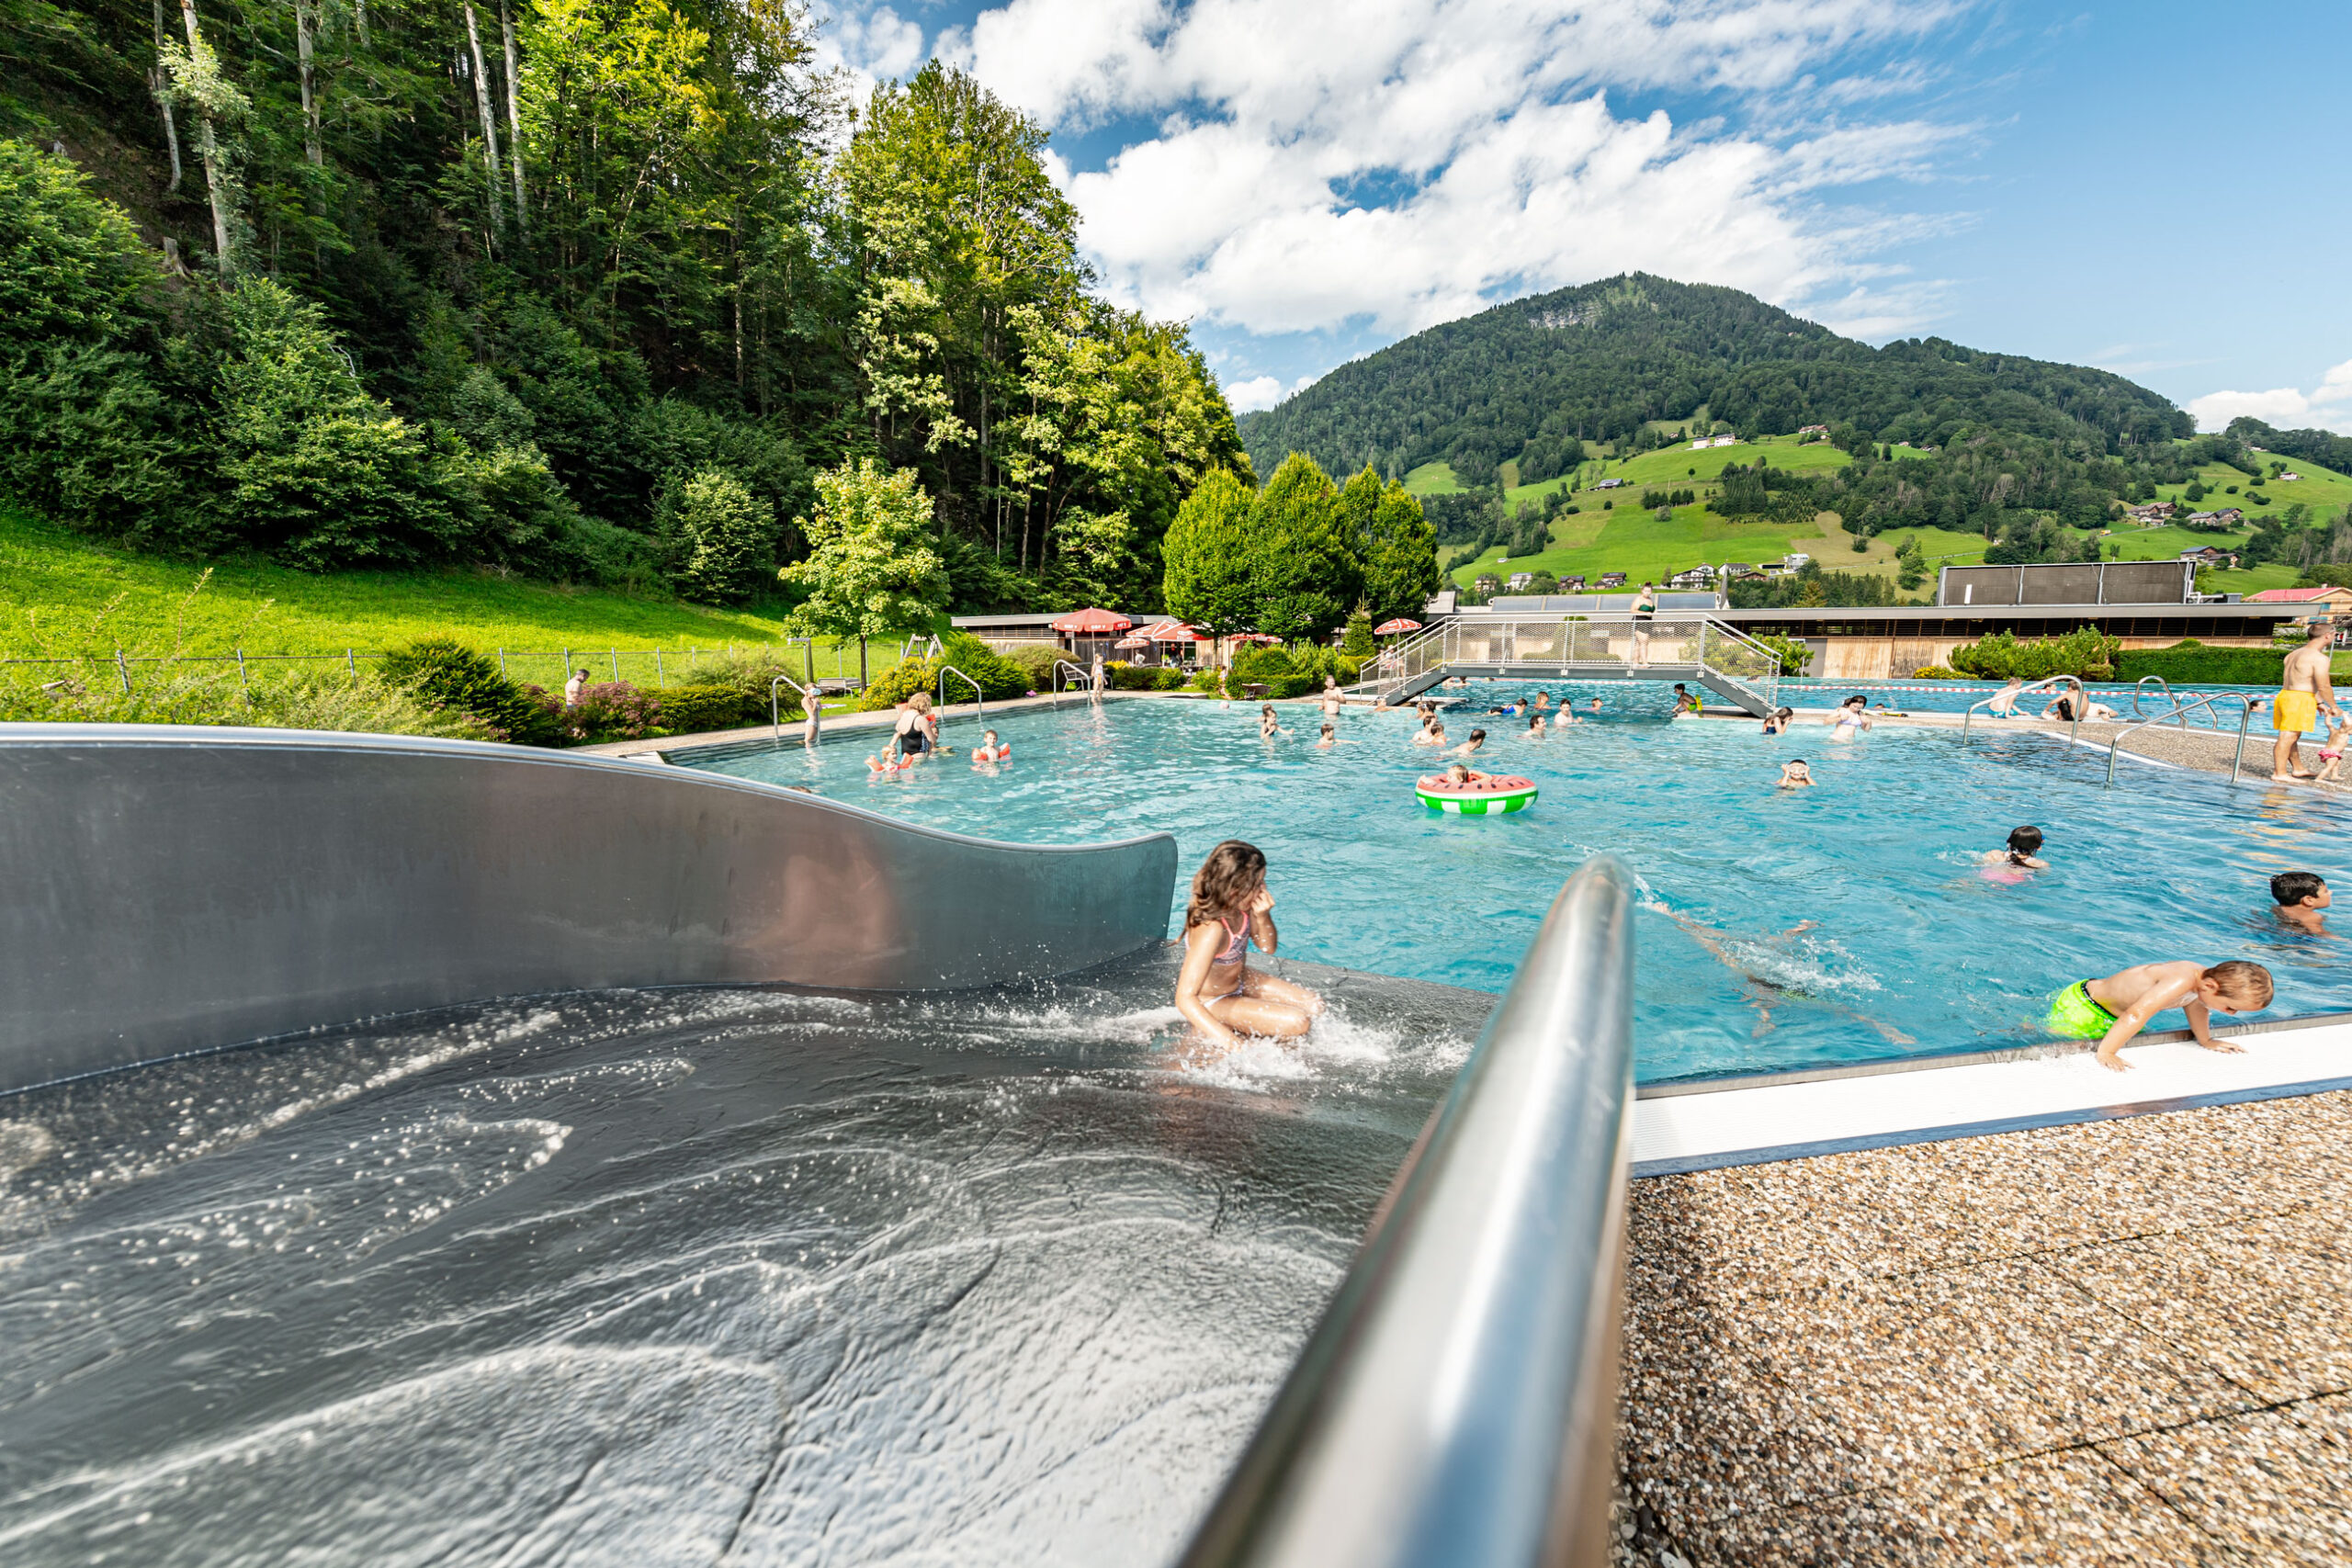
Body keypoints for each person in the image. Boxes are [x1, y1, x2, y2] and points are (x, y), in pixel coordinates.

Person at [1172, 840, 1325, 1052]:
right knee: (1297, 1022)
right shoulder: (1211, 928)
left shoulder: (1243, 908)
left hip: (1239, 980)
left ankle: (1243, 1020)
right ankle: (1226, 1024)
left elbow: (1267, 947)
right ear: (1236, 889)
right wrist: (1233, 1044)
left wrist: (1262, 916)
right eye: (1258, 883)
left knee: (1314, 1005)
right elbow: (1184, 998)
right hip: (1213, 1000)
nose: (1264, 888)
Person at [2045, 960, 2273, 1071]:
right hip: (2085, 1004)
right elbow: (2137, 1013)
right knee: (2059, 1040)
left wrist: (2206, 1040)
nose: (2232, 1014)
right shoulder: (2180, 980)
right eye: (2230, 1007)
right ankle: (2028, 1028)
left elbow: (2196, 1006)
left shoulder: (2202, 983)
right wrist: (2107, 1052)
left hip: (2113, 1015)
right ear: (2211, 986)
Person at [2273, 617, 2342, 782]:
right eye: (2334, 635)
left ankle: (2298, 768)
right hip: (2299, 699)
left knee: (2292, 735)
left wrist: (2318, 702)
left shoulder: (2293, 654)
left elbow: (2305, 680)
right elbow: (2324, 685)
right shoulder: (2319, 658)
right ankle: (2279, 773)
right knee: (2288, 736)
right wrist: (2334, 706)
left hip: (2285, 695)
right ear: (2327, 636)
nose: (2335, 638)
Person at [2270, 871, 2331, 935]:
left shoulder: (2277, 909)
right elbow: (2321, 934)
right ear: (2309, 900)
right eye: (2326, 891)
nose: (2330, 892)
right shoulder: (2313, 917)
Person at [1980, 825, 2049, 874]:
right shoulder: (2040, 864)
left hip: (1987, 876)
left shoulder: (1994, 854)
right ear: (2038, 847)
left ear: (2010, 842)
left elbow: (1980, 865)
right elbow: (2043, 875)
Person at [2316, 716, 2352, 784]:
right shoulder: (2343, 733)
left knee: (2337, 763)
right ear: (2348, 728)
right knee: (2329, 767)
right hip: (2332, 753)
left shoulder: (2333, 730)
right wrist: (2345, 715)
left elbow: (2328, 723)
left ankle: (2334, 776)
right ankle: (2319, 778)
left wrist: (2328, 715)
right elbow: (2349, 724)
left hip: (2327, 751)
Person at [1630, 581, 1657, 668]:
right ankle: (1645, 663)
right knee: (1644, 641)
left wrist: (1654, 612)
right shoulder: (1639, 599)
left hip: (1648, 622)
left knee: (1640, 643)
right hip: (1639, 621)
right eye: (1645, 591)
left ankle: (1635, 662)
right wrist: (1645, 613)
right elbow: (1632, 610)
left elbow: (1651, 610)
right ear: (1642, 591)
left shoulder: (1650, 599)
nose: (1647, 593)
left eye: (1649, 591)